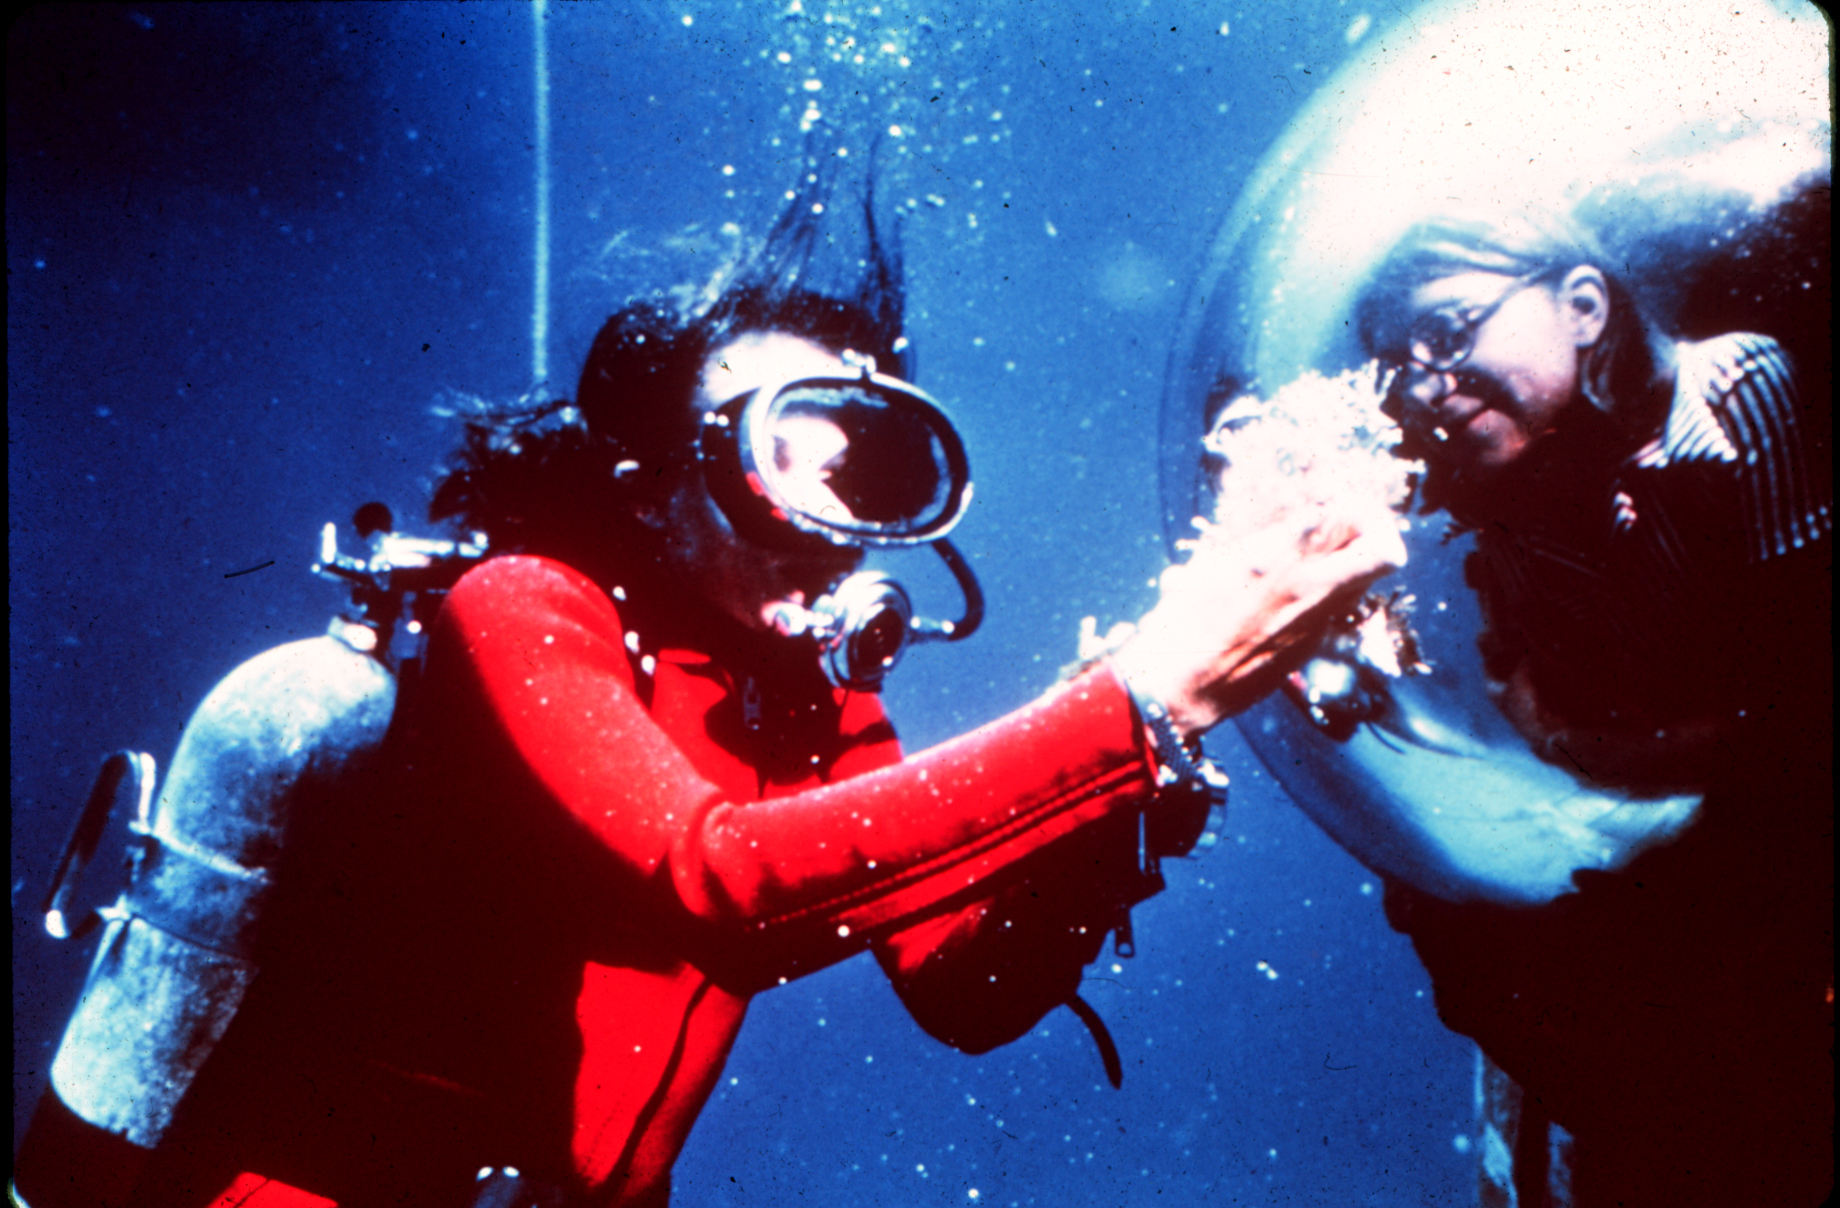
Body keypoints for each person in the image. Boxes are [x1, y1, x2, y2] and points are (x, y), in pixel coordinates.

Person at [13, 170, 1399, 1208]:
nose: (829, 511)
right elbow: (720, 883)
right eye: (780, 451)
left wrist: (1129, 800)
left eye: (870, 463)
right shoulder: (526, 610)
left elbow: (965, 990)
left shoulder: (807, 698)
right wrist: (1141, 696)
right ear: (654, 486)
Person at [1353, 210, 1832, 1205]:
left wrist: (1595, 745)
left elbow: (1801, 713)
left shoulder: (1734, 392)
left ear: (1581, 305)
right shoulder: (1515, 500)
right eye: (1404, 364)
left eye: (1448, 331)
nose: (1429, 383)